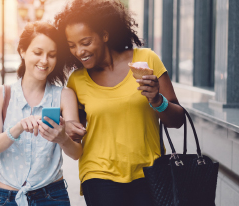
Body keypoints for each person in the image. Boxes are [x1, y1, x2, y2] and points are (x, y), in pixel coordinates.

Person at [55, 0, 185, 205]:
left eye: (86, 42)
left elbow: (177, 120)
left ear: (105, 35)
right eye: (72, 45)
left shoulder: (147, 60)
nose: (79, 51)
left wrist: (157, 100)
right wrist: (67, 130)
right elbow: (76, 137)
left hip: (149, 173)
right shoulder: (77, 81)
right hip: (98, 175)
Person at [0, 21, 83, 206]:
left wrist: (62, 138)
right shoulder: (1, 94)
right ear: (22, 51)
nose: (44, 60)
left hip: (52, 196)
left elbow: (77, 153)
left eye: (51, 55)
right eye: (38, 53)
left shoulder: (64, 95)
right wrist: (18, 127)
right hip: (8, 198)